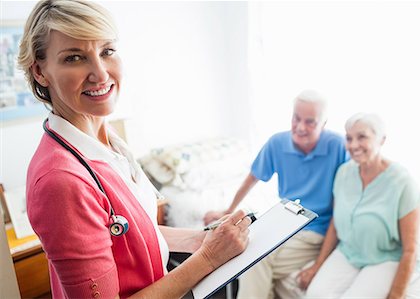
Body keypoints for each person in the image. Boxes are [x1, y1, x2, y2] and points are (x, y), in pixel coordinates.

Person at [19, 1, 251, 298]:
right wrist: (208, 259)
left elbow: (132, 235)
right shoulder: (62, 181)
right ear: (40, 71)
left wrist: (202, 239)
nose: (100, 74)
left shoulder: (105, 138)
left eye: (107, 51)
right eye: (74, 58)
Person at [204, 90, 349, 299]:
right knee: (250, 252)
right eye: (296, 118)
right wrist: (227, 211)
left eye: (310, 122)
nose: (300, 127)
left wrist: (319, 265)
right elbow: (252, 178)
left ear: (323, 124)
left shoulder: (338, 146)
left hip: (315, 229)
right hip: (285, 220)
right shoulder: (277, 143)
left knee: (255, 263)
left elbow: (343, 206)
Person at [298, 113, 420, 299]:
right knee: (314, 294)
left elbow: (410, 248)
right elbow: (336, 221)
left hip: (385, 258)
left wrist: (396, 294)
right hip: (349, 251)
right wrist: (318, 265)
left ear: (381, 139)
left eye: (362, 137)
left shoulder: (402, 182)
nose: (353, 145)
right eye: (349, 138)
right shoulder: (343, 172)